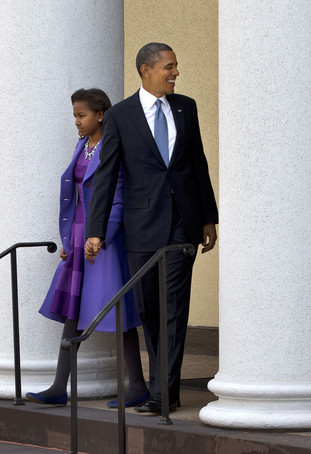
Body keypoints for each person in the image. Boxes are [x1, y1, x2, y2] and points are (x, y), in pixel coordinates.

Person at [85, 43, 218, 414]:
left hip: (182, 225)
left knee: (173, 308)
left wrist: (208, 217)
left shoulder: (185, 106)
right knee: (150, 311)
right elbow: (106, 174)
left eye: (176, 66)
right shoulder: (121, 115)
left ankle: (164, 394)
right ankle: (162, 388)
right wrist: (95, 231)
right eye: (169, 67)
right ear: (146, 70)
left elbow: (197, 163)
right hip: (141, 227)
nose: (175, 73)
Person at [26, 88, 149, 408]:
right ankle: (57, 387)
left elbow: (119, 197)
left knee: (117, 310)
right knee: (73, 310)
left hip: (105, 240)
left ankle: (137, 386)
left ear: (101, 114)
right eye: (75, 116)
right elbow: (73, 197)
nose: (77, 122)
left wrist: (102, 235)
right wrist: (69, 239)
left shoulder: (113, 145)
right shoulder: (83, 146)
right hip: (81, 236)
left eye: (82, 116)